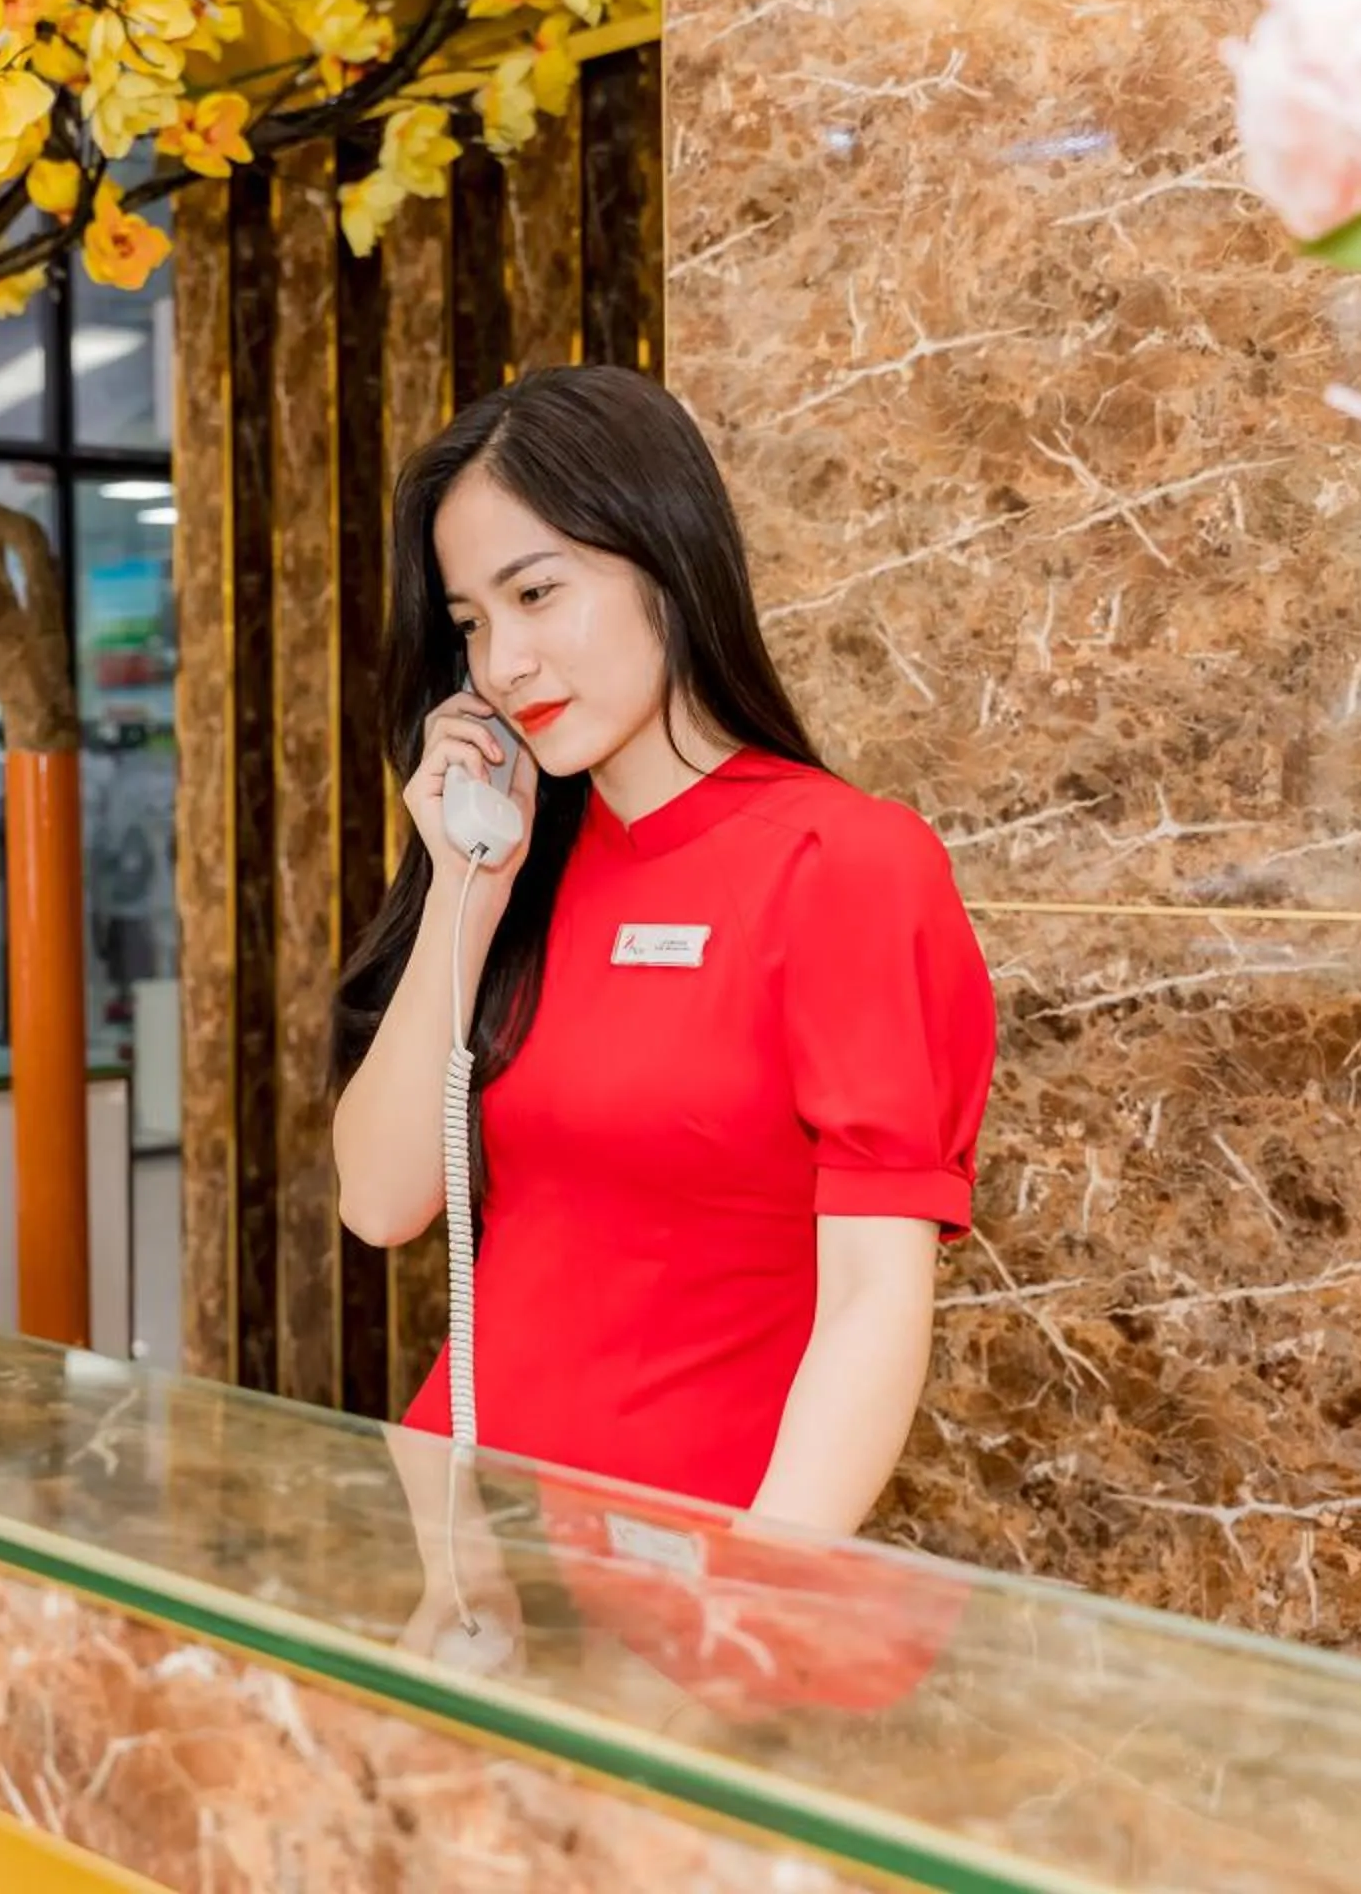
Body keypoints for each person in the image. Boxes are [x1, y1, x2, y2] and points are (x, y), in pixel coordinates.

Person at [330, 365, 995, 1648]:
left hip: (702, 1587)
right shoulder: (521, 860)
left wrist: (748, 1605)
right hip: (476, 1572)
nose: (503, 661)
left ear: (667, 559)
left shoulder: (846, 860)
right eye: (470, 620)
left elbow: (872, 1299)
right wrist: (468, 886)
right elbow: (379, 1199)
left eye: (537, 591)